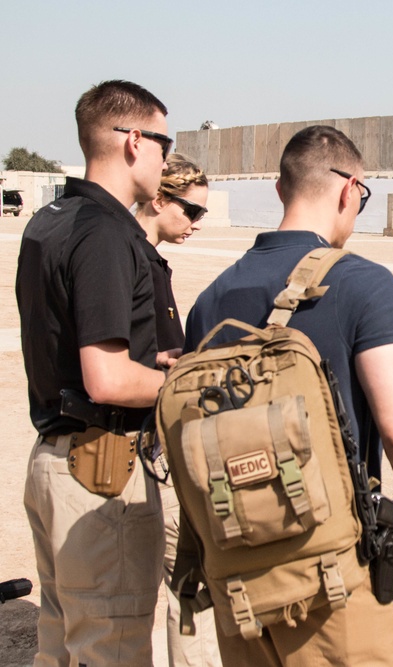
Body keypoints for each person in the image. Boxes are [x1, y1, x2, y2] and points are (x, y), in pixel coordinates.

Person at [183, 125, 393, 666]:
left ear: (279, 190)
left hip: (239, 573)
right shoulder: (364, 283)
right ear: (351, 191)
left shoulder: (211, 298)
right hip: (330, 574)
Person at [16, 80, 172, 666]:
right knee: (111, 646)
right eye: (164, 142)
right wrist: (191, 384)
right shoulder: (107, 231)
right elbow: (105, 378)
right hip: (101, 467)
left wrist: (151, 363)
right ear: (135, 140)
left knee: (62, 641)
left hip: (56, 458)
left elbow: (67, 340)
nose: (165, 158)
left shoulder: (53, 218)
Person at [134, 153, 221, 667]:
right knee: (191, 581)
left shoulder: (150, 262)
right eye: (191, 211)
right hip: (145, 450)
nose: (196, 224)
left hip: (151, 445)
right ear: (159, 199)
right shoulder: (132, 261)